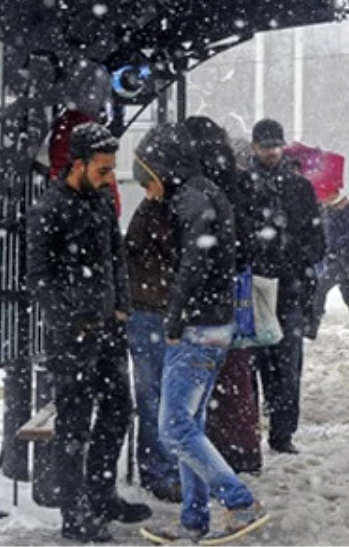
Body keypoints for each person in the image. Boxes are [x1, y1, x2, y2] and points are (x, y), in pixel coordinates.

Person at [132, 123, 270, 543]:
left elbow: (194, 263)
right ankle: (193, 521)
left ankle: (240, 502)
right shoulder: (206, 191)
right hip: (215, 324)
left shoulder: (190, 199)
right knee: (189, 424)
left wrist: (174, 318)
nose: (148, 192)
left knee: (173, 426)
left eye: (147, 180)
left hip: (197, 326)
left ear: (161, 170)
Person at [27, 123, 151, 542]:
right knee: (75, 425)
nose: (108, 178)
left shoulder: (99, 200)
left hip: (108, 328)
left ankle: (101, 494)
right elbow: (39, 277)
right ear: (76, 165)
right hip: (73, 336)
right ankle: (73, 511)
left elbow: (115, 253)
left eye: (110, 170)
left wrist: (121, 307)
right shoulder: (49, 209)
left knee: (118, 411)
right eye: (101, 170)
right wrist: (71, 318)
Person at [186, 118, 262, 475]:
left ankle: (214, 448)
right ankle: (243, 448)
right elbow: (251, 238)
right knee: (237, 372)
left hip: (203, 298)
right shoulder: (239, 182)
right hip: (233, 292)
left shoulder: (194, 189)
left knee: (202, 379)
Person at [248, 119, 325, 454]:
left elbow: (317, 240)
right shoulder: (243, 185)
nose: (272, 152)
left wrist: (294, 259)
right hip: (256, 286)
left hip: (287, 286)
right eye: (266, 146)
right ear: (255, 147)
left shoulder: (299, 188)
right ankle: (255, 427)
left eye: (276, 146)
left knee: (287, 364)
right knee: (256, 363)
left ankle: (282, 431)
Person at [124, 182, 182, 503]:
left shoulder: (156, 212)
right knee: (156, 395)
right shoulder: (160, 214)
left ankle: (159, 467)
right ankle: (160, 469)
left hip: (152, 307)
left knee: (154, 395)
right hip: (153, 308)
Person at [314, 191, 349, 341]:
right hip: (334, 258)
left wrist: (341, 242)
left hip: (346, 258)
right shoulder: (327, 210)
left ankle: (311, 327)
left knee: (321, 288)